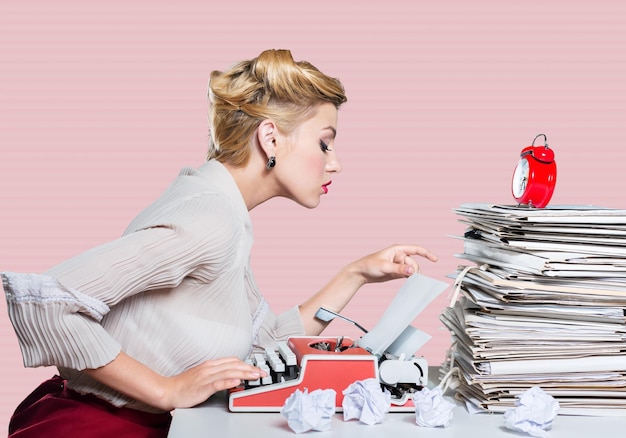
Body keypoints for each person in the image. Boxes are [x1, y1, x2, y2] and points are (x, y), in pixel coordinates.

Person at [1, 48, 437, 437]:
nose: (335, 163)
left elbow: (262, 342)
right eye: (324, 144)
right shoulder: (211, 217)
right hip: (97, 429)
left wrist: (355, 273)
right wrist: (164, 389)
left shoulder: (223, 208)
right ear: (270, 138)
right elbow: (48, 299)